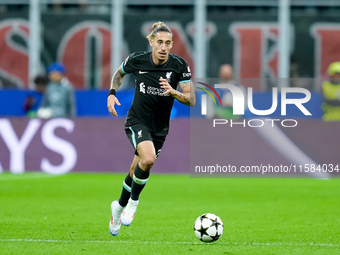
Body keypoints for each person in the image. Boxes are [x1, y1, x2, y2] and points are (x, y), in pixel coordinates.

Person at [107, 21, 195, 236]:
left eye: (167, 43)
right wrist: (111, 94)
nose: (163, 47)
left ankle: (118, 207)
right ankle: (133, 203)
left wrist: (173, 92)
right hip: (137, 120)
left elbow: (191, 99)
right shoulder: (138, 60)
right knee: (148, 159)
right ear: (152, 42)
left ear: (172, 44)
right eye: (159, 42)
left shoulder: (179, 65)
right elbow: (119, 74)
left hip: (160, 127)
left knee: (136, 169)